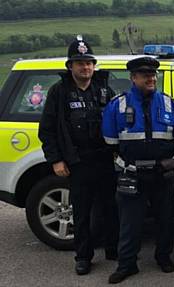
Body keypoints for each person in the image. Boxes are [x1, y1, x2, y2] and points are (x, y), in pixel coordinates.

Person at [38, 36, 118, 276]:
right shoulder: (59, 92)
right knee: (81, 212)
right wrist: (56, 159)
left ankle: (112, 249)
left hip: (104, 159)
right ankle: (83, 257)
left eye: (89, 63)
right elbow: (47, 129)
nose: (86, 67)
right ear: (70, 66)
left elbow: (116, 122)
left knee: (110, 208)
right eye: (80, 63)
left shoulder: (104, 89)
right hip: (78, 162)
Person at [102, 56, 174, 284]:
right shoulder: (117, 105)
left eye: (153, 75)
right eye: (145, 75)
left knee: (165, 219)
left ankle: (163, 257)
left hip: (162, 174)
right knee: (130, 223)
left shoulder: (168, 103)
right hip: (132, 174)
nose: (151, 78)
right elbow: (110, 141)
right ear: (133, 78)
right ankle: (127, 265)